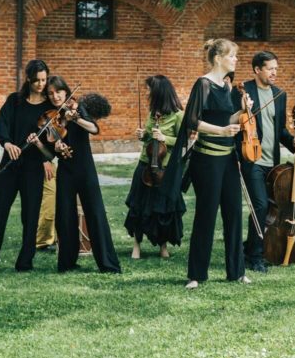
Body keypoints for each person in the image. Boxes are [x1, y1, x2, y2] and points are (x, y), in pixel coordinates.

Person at [162, 39, 251, 289]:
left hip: (228, 158)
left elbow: (226, 119)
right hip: (207, 160)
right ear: (218, 58)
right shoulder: (203, 84)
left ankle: (237, 271)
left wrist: (242, 112)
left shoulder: (226, 85)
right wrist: (222, 131)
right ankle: (196, 275)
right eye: (232, 56)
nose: (236, 60)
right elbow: (192, 121)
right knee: (206, 215)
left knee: (234, 213)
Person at [0, 59, 57, 273]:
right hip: (10, 164)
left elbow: (52, 142)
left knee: (30, 214)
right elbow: (1, 124)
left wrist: (45, 159)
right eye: (37, 80)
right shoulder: (15, 101)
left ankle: (25, 261)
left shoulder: (50, 108)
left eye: (44, 80)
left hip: (33, 167)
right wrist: (7, 143)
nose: (41, 84)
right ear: (28, 79)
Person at [42, 77, 121, 273]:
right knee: (65, 215)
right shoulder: (52, 116)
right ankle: (67, 262)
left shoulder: (77, 107)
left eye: (58, 91)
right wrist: (57, 146)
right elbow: (51, 145)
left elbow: (94, 128)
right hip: (66, 170)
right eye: (51, 93)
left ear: (65, 91)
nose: (55, 96)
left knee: (95, 213)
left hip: (85, 168)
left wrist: (75, 118)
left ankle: (107, 263)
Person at [238, 51, 295, 271]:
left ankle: (251, 247)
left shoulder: (279, 94)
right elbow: (238, 123)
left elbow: (280, 129)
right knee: (260, 205)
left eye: (276, 68)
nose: (274, 72)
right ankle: (255, 256)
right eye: (270, 68)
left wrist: (294, 143)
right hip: (251, 159)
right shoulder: (244, 90)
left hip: (272, 163)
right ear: (257, 70)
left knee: (269, 207)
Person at [124, 75, 186, 259]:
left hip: (164, 169)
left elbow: (184, 142)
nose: (147, 92)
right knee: (138, 206)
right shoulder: (153, 113)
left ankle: (163, 246)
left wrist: (164, 138)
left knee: (163, 209)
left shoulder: (177, 115)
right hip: (145, 165)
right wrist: (143, 135)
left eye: (150, 89)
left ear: (159, 91)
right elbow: (149, 139)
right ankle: (137, 245)